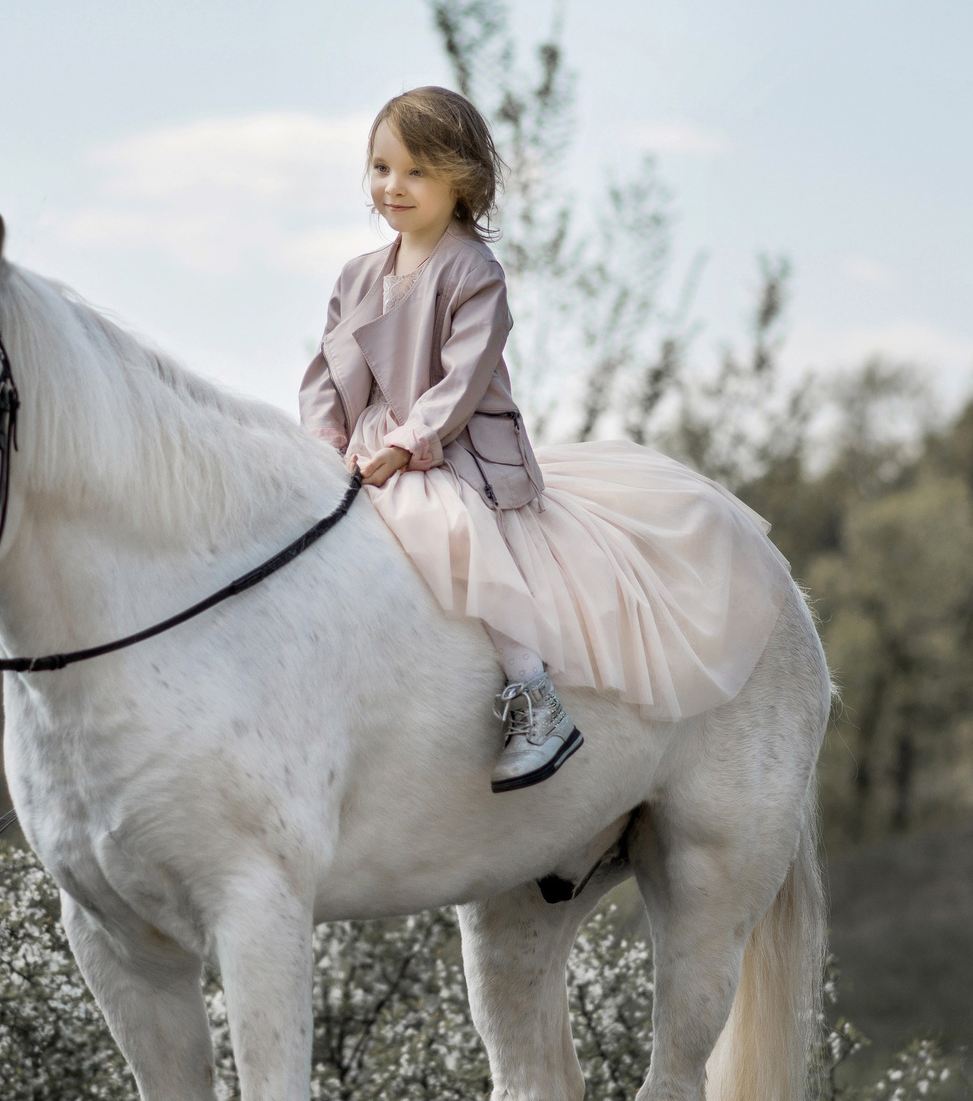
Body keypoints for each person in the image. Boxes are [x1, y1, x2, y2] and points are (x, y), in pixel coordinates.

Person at [299, 86, 792, 791]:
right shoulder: (357, 276)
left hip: (453, 445)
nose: (392, 187)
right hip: (369, 442)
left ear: (461, 179)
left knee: (448, 528)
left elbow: (462, 382)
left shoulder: (473, 272)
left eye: (416, 171)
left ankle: (536, 699)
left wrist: (409, 444)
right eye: (381, 168)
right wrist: (325, 437)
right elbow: (328, 370)